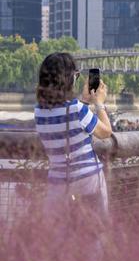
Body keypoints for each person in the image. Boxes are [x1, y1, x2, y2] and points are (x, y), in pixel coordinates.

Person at [34, 53, 113, 241]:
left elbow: (66, 124)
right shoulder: (77, 109)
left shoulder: (39, 112)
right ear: (68, 78)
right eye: (76, 75)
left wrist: (84, 102)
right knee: (95, 235)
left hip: (58, 184)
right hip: (88, 181)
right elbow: (105, 132)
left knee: (58, 240)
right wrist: (99, 104)